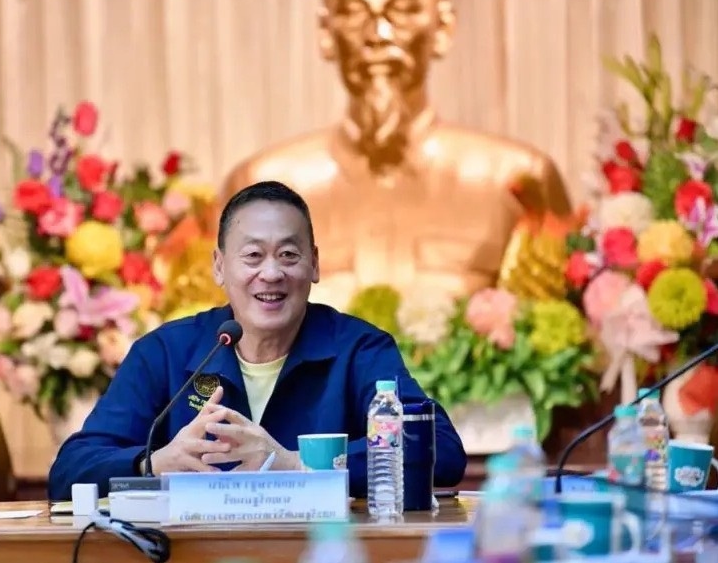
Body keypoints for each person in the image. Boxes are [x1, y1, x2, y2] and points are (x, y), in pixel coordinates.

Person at [48, 181, 466, 500]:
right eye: (252, 256)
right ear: (219, 266)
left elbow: (441, 451)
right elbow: (70, 470)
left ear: (315, 264)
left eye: (288, 255)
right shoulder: (165, 353)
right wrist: (155, 463)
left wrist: (295, 465)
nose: (271, 274)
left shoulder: (358, 349)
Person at [218, 0, 571, 305]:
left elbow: (565, 337)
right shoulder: (257, 187)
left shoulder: (515, 183)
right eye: (354, 12)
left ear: (443, 29)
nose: (377, 35)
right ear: (326, 33)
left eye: (402, 11)